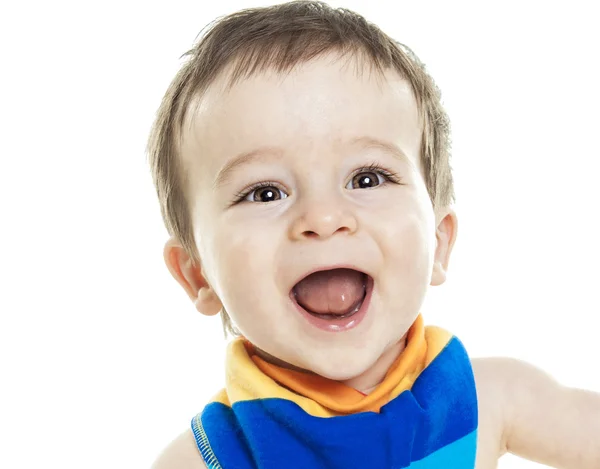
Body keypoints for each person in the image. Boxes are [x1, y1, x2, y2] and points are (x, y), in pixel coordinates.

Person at [146, 2, 600, 468]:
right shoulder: (205, 459)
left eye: (367, 178)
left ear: (439, 243)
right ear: (198, 273)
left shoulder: (491, 400)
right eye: (264, 193)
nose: (323, 218)